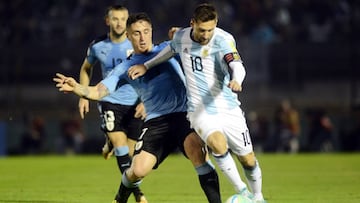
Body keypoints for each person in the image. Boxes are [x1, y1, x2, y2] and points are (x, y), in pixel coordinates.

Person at [54, 12, 221, 203]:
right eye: (136, 33)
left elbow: (196, 38)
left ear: (151, 32)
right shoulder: (126, 67)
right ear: (128, 35)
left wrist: (181, 32)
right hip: (156, 121)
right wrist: (77, 88)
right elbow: (98, 92)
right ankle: (120, 198)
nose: (142, 37)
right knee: (138, 170)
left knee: (197, 152)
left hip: (184, 115)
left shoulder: (169, 48)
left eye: (146, 31)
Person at [128, 3, 266, 202]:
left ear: (216, 24)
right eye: (202, 30)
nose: (206, 35)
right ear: (192, 24)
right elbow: (169, 51)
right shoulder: (181, 37)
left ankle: (258, 197)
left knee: (248, 159)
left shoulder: (224, 39)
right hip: (200, 110)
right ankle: (242, 191)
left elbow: (236, 64)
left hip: (228, 107)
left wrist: (237, 79)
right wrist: (146, 66)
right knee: (217, 144)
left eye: (210, 29)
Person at [76, 5, 146, 203]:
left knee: (130, 157)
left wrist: (146, 101)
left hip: (134, 102)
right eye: (115, 19)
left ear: (128, 21)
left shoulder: (136, 43)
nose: (119, 23)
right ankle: (139, 196)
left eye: (123, 19)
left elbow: (151, 71)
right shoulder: (98, 45)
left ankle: (109, 144)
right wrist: (84, 94)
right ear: (108, 21)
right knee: (121, 147)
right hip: (109, 100)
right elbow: (86, 68)